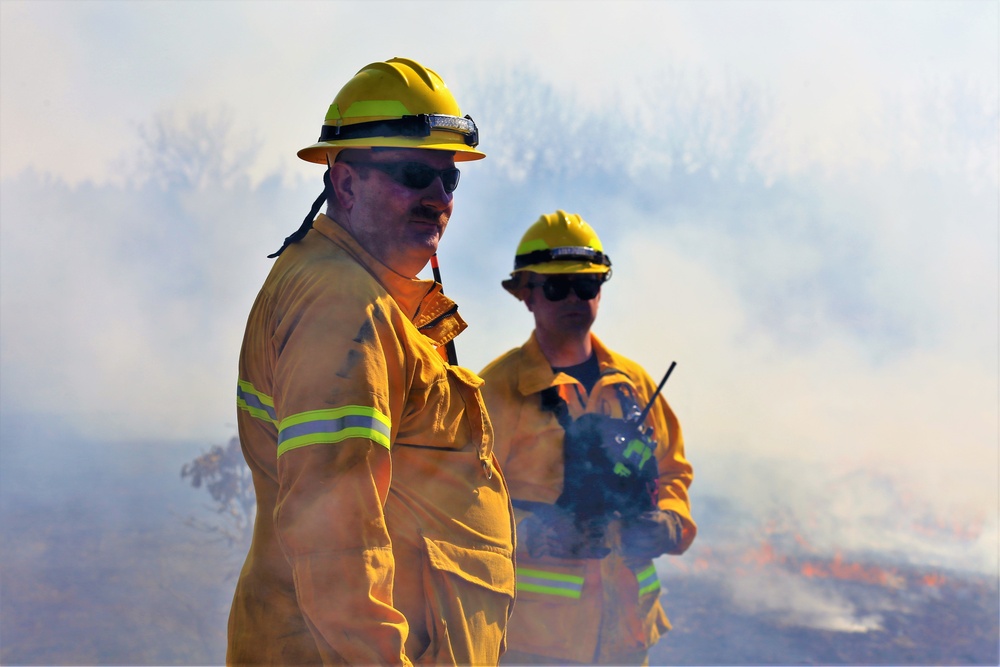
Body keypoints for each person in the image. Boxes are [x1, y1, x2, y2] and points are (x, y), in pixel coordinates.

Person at [228, 57, 515, 666]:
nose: (438, 197)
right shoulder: (344, 306)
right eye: (415, 173)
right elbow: (335, 536)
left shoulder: (363, 294)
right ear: (346, 182)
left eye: (450, 181)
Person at [479, 210, 697, 666]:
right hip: (535, 644)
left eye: (587, 286)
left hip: (627, 635)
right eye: (557, 288)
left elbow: (673, 473)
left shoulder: (633, 384)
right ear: (527, 295)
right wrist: (533, 534)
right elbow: (462, 501)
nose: (574, 298)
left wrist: (669, 523)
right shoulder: (497, 391)